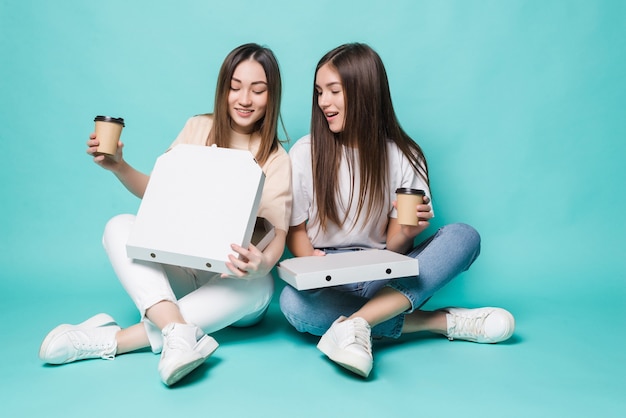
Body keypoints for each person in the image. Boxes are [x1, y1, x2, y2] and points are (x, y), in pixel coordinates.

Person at [39, 43, 292, 386]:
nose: (244, 99)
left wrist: (261, 265)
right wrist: (119, 166)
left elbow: (277, 237)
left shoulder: (277, 159)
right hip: (182, 267)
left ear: (271, 95)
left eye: (257, 90)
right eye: (235, 87)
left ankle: (114, 339)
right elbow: (158, 193)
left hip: (232, 281)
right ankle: (177, 333)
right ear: (223, 89)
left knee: (261, 286)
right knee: (119, 226)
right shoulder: (198, 127)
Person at [279, 43, 515, 378]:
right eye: (319, 92)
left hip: (383, 273)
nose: (323, 102)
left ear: (365, 92)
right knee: (293, 305)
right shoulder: (305, 153)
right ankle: (439, 321)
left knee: (465, 236)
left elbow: (393, 250)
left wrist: (406, 232)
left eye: (334, 91)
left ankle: (358, 323)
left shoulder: (405, 155)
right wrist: (311, 265)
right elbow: (297, 233)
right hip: (328, 273)